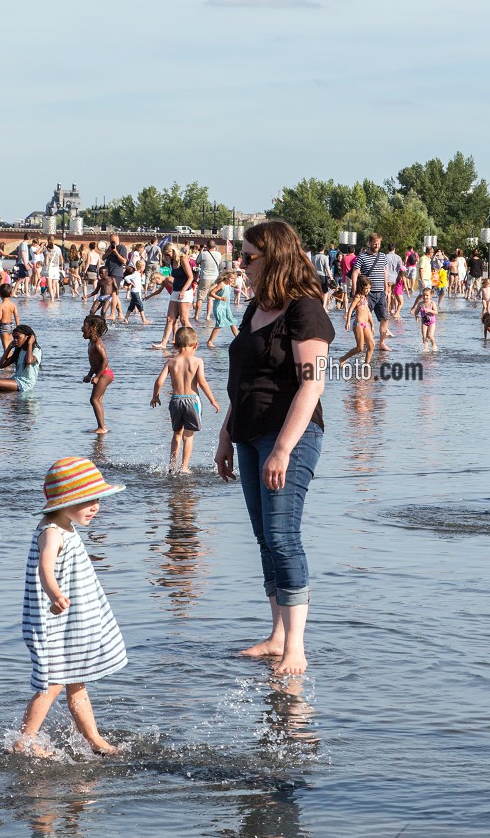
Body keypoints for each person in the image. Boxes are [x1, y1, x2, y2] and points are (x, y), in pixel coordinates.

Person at [214, 220, 333, 676]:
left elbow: (312, 386)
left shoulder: (305, 311)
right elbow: (241, 381)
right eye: (241, 256)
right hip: (247, 432)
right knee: (265, 537)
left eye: (248, 257)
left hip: (290, 436)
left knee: (284, 536)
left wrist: (283, 449)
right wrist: (226, 433)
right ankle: (277, 634)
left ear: (273, 257)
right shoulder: (255, 309)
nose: (240, 264)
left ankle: (296, 647)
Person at [15, 457, 128, 757]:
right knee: (51, 684)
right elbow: (45, 567)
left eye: (97, 500)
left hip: (67, 625)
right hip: (52, 623)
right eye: (87, 501)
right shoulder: (52, 531)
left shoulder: (65, 525)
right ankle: (23, 741)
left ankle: (95, 741)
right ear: (65, 501)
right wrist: (54, 594)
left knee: (76, 681)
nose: (95, 507)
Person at [152, 327, 220, 473]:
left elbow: (159, 381)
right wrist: (212, 400)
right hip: (192, 401)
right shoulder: (197, 361)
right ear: (195, 345)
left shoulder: (171, 362)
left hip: (175, 400)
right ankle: (184, 467)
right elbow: (202, 382)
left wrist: (155, 396)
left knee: (176, 433)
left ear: (175, 345)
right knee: (188, 436)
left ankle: (171, 466)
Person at [0, 324, 41, 394]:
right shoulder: (20, 350)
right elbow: (1, 365)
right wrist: (9, 347)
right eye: (14, 337)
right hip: (15, 379)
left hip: (25, 384)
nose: (15, 340)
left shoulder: (36, 350)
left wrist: (30, 344)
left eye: (18, 337)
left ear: (28, 337)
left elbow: (29, 361)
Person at [82, 315, 114, 434]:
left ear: (93, 328)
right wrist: (90, 375)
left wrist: (97, 376)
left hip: (105, 373)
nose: (81, 329)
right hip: (101, 373)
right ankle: (101, 426)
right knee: (97, 400)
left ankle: (102, 427)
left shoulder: (98, 344)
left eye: (84, 326)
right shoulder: (90, 344)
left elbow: (105, 362)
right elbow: (95, 364)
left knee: (94, 399)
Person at [338, 273, 375, 365]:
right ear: (361, 287)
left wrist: (372, 324)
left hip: (366, 325)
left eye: (369, 288)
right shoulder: (358, 297)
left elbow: (368, 313)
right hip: (358, 325)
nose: (368, 290)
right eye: (366, 288)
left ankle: (367, 364)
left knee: (371, 345)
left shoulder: (365, 298)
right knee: (360, 348)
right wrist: (348, 322)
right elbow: (350, 309)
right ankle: (343, 358)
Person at [204, 271, 239, 348]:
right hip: (219, 307)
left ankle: (238, 339)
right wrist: (220, 298)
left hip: (226, 307)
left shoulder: (229, 284)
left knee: (232, 322)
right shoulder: (221, 284)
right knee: (220, 323)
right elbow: (211, 293)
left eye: (234, 279)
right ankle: (210, 341)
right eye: (231, 278)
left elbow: (233, 285)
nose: (232, 280)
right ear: (226, 277)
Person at [410, 286, 439, 352]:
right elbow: (416, 312)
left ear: (431, 296)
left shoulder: (432, 303)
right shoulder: (420, 304)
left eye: (427, 295)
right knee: (424, 336)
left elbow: (436, 312)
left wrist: (429, 310)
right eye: (423, 295)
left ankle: (434, 345)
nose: (425, 297)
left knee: (430, 335)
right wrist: (416, 316)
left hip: (432, 322)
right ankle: (426, 348)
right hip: (424, 322)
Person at [0, 283, 19, 350]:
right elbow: (16, 316)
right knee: (10, 345)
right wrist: (18, 326)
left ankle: (8, 360)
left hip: (4, 326)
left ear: (0, 294)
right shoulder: (12, 305)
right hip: (11, 326)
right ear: (10, 294)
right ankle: (11, 358)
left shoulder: (0, 305)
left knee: (6, 346)